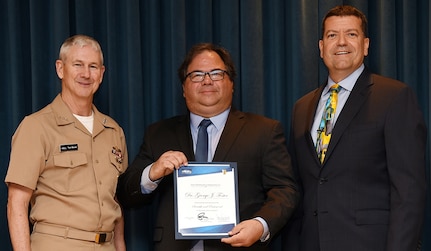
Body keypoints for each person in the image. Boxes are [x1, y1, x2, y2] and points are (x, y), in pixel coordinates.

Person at [117, 43, 299, 250]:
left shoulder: (264, 131)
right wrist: (152, 173)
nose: (207, 80)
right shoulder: (158, 134)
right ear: (184, 89)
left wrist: (260, 225)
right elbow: (125, 192)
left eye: (216, 73)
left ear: (231, 83)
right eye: (196, 75)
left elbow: (285, 190)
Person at [283, 5, 427, 251]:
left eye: (351, 34)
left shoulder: (394, 97)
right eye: (332, 35)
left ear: (366, 44)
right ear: (320, 47)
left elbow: (408, 191)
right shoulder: (302, 107)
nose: (341, 43)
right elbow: (300, 188)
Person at [5, 34, 128, 251]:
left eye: (93, 66)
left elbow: (115, 202)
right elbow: (17, 203)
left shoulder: (113, 131)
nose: (86, 74)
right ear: (61, 69)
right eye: (78, 65)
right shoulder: (36, 127)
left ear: (102, 73)